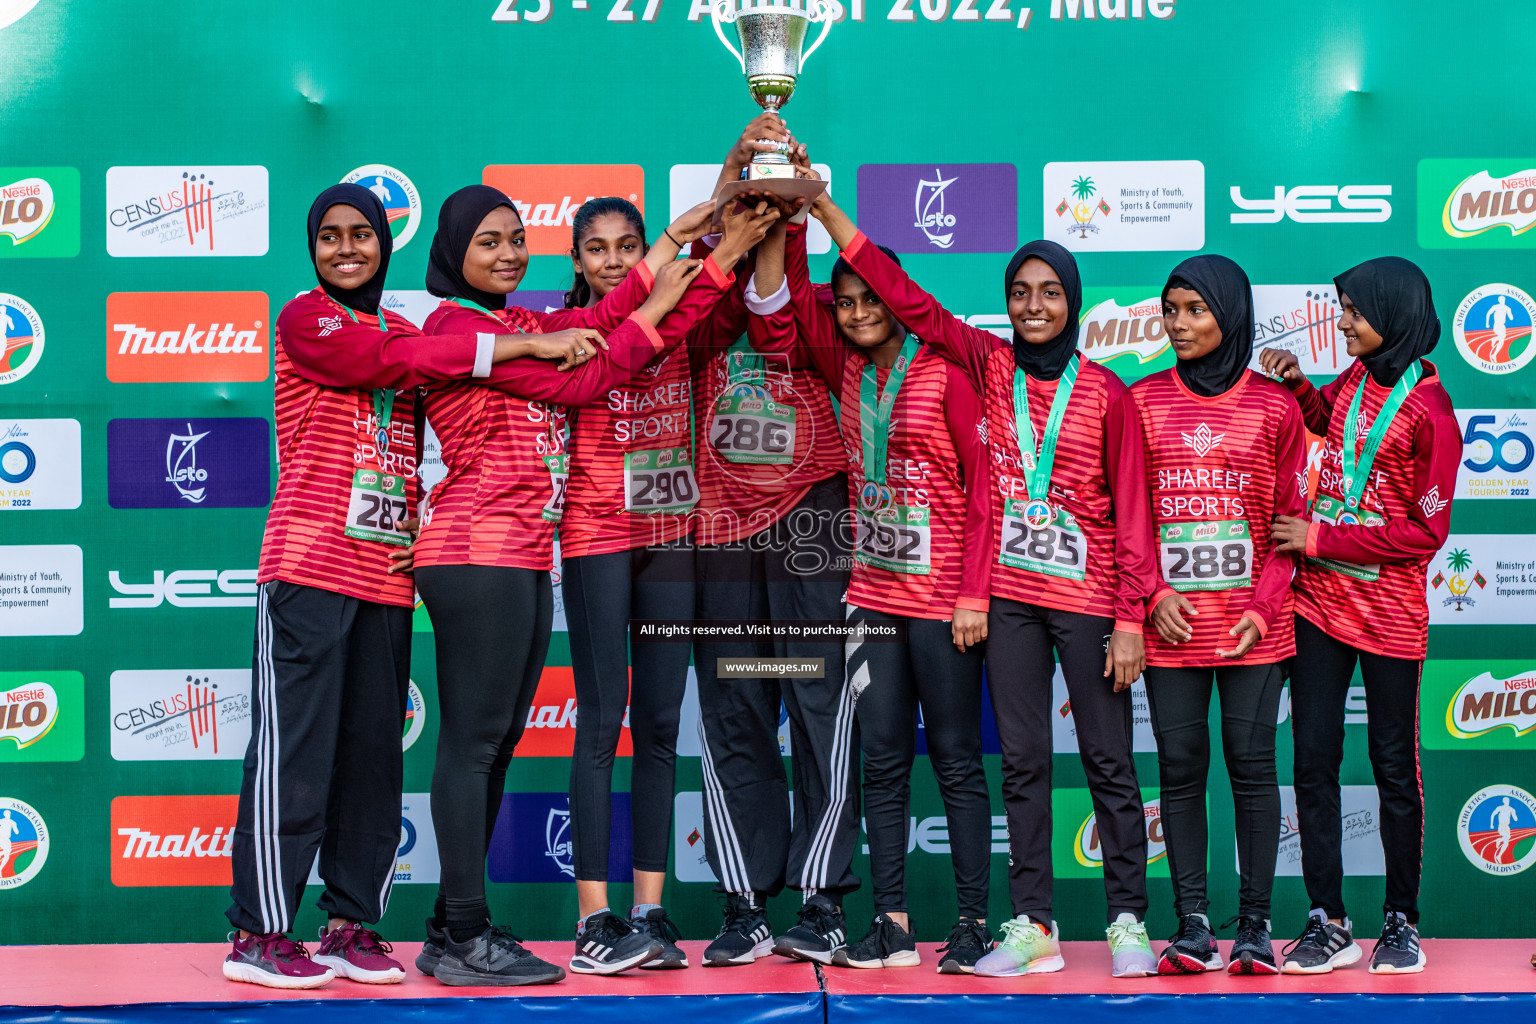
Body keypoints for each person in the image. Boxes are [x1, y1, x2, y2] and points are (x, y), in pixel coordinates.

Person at [224, 183, 599, 990]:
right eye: (330, 236)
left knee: (371, 760)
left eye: (362, 234)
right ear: (312, 247)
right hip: (308, 566)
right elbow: (385, 364)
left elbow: (448, 394)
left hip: (387, 575)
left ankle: (350, 925)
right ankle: (258, 934)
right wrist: (529, 346)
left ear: (386, 245)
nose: (347, 248)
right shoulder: (308, 319)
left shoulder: (409, 325)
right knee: (294, 755)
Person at [412, 185, 779, 986]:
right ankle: (499, 929)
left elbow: (614, 324)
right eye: (488, 243)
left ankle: (466, 927)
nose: (509, 253)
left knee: (502, 740)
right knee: (481, 745)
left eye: (516, 239)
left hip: (522, 554)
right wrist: (697, 260)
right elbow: (594, 371)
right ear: (452, 256)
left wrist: (704, 240)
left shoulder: (524, 326)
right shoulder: (460, 328)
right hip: (485, 548)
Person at [798, 176, 1157, 976]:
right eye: (1021, 292)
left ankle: (1129, 917)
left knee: (1107, 757)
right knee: (1024, 760)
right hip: (1011, 598)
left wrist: (1131, 614)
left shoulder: (1105, 394)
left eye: (1050, 292)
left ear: (1074, 301)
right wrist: (822, 213)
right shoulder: (988, 363)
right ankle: (1034, 923)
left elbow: (1133, 513)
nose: (1034, 306)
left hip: (1092, 598)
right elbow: (909, 302)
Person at [757, 191, 995, 973]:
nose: (858, 312)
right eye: (846, 301)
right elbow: (793, 300)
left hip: (943, 604)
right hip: (873, 599)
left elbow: (984, 487)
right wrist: (783, 214)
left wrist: (972, 593)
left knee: (956, 760)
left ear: (896, 301)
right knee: (883, 760)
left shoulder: (952, 371)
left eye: (870, 298)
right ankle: (890, 923)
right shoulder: (845, 367)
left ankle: (970, 925)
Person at [556, 194, 779, 972]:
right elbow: (635, 327)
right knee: (601, 718)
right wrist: (706, 250)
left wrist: (739, 187)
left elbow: (734, 276)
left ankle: (649, 913)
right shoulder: (559, 332)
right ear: (576, 262)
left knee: (657, 723)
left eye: (627, 245)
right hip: (596, 536)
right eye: (597, 249)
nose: (613, 260)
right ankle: (593, 921)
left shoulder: (683, 315)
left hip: (671, 534)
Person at [682, 119, 861, 969]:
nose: (764, 217)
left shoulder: (826, 305)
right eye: (753, 207)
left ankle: (821, 898)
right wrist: (735, 183)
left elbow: (785, 330)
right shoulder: (703, 292)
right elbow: (699, 331)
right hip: (720, 522)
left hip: (810, 521)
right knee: (733, 705)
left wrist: (791, 208)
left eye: (776, 208)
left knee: (819, 701)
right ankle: (745, 900)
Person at [1260, 257, 1457, 976]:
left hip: (1389, 614)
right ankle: (1327, 920)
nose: (1341, 323)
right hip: (1319, 602)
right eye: (1341, 309)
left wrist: (1320, 537)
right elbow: (1337, 439)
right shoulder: (1352, 380)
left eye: (1353, 312)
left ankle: (1401, 923)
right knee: (1312, 761)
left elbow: (1423, 534)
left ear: (1395, 315)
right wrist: (1298, 390)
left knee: (1392, 768)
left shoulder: (1431, 413)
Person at [1125, 255, 1307, 976]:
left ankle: (1256, 928)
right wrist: (1152, 596)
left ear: (1229, 313)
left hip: (1252, 630)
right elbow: (1128, 519)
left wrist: (1263, 611)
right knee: (1180, 767)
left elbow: (1291, 523)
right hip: (1171, 628)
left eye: (1196, 309)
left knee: (1254, 768)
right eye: (1170, 309)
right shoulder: (1139, 401)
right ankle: (1193, 925)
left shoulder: (1276, 407)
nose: (1179, 323)